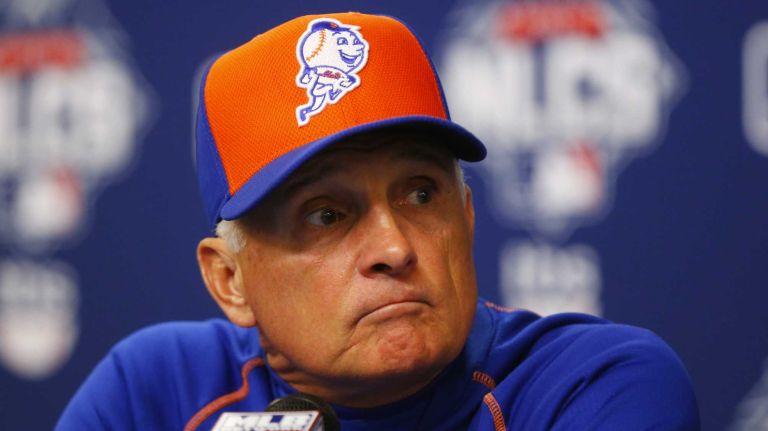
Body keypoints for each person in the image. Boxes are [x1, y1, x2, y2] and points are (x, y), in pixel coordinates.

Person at [56, 12, 700, 431]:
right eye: (326, 214)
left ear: (467, 216)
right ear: (230, 280)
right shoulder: (156, 391)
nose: (393, 246)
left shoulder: (590, 385)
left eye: (421, 195)